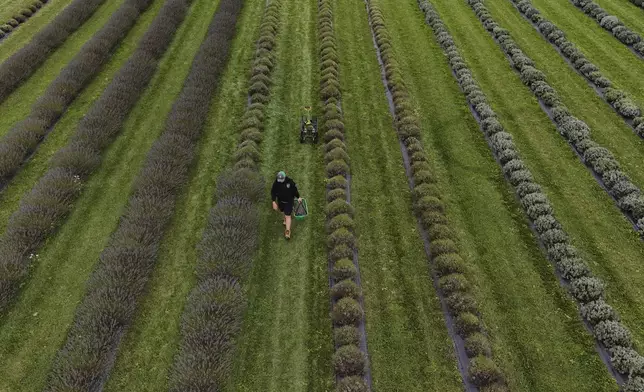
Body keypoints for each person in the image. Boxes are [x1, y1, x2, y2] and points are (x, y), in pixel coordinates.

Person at [271, 170, 301, 239]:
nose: (280, 181)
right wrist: (273, 201)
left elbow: (295, 191)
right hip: (280, 201)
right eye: (279, 180)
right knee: (282, 212)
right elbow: (273, 191)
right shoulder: (276, 182)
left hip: (289, 202)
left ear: (284, 178)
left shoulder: (290, 182)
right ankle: (284, 220)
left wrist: (298, 197)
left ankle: (287, 231)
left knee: (288, 215)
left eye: (281, 180)